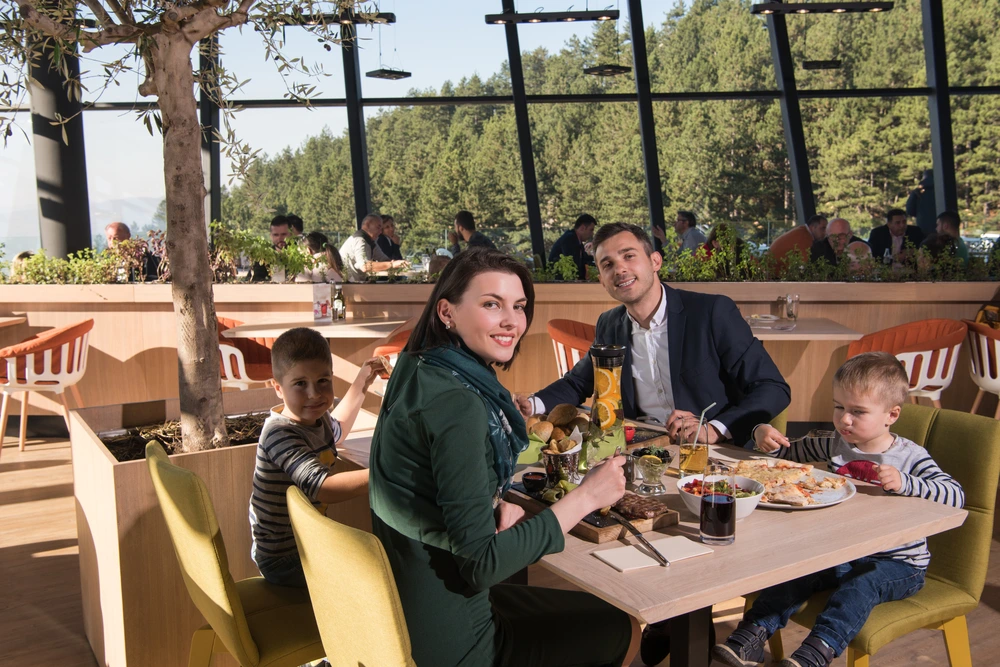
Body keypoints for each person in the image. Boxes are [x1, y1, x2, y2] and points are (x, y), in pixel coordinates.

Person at [514, 222, 790, 666]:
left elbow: (772, 388)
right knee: (607, 526)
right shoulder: (610, 323)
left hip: (710, 459)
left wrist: (714, 427)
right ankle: (666, 618)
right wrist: (532, 403)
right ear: (601, 278)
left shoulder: (711, 312)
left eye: (629, 256)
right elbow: (580, 382)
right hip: (645, 458)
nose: (619, 269)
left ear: (655, 261)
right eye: (607, 264)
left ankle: (676, 621)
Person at [368, 247, 640, 667]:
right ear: (447, 312)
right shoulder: (459, 404)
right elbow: (482, 565)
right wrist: (586, 497)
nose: (512, 321)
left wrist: (489, 506)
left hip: (407, 610)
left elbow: (428, 489)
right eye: (491, 304)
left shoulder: (416, 368)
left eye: (519, 306)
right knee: (626, 625)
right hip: (457, 639)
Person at [713, 352, 964, 667]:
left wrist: (906, 482)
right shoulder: (834, 442)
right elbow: (786, 454)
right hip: (843, 551)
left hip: (898, 562)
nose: (845, 419)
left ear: (891, 415)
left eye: (858, 411)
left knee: (861, 587)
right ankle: (750, 636)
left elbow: (956, 495)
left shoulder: (910, 457)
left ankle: (815, 654)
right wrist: (762, 434)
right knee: (795, 571)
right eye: (839, 407)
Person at [249, 328, 382, 588]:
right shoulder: (279, 434)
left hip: (309, 540)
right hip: (284, 557)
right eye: (300, 384)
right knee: (373, 575)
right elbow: (323, 488)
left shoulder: (317, 420)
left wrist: (362, 382)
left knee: (377, 559)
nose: (314, 394)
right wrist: (387, 472)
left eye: (323, 380)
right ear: (278, 388)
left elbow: (338, 429)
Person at [338, 214, 408, 282]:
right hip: (348, 285)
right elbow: (364, 266)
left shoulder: (370, 241)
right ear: (367, 225)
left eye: (381, 229)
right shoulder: (359, 240)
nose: (380, 232)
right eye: (378, 227)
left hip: (357, 283)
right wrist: (392, 264)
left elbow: (383, 259)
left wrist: (398, 263)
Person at [548, 213, 597, 280]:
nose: (592, 234)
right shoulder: (570, 239)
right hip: (561, 281)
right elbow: (574, 263)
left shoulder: (576, 240)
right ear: (582, 228)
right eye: (591, 230)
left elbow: (584, 258)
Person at [249, 215, 293, 282]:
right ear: (271, 236)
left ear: (291, 234)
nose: (280, 238)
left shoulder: (301, 254)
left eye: (283, 234)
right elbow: (255, 279)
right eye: (276, 235)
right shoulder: (263, 257)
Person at [906, 170, 937, 235]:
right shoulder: (942, 189)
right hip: (941, 228)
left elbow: (909, 210)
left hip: (923, 227)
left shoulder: (917, 192)